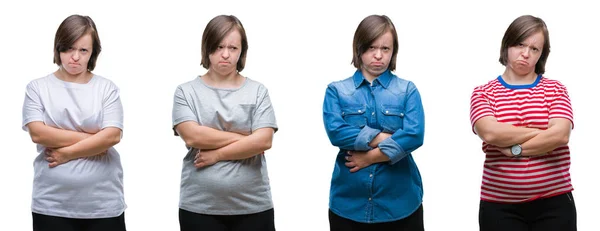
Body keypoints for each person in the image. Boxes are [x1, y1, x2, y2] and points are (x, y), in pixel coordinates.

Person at [470, 15, 576, 231]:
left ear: (541, 55)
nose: (526, 54)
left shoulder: (555, 90)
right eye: (520, 44)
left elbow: (560, 136)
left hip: (554, 203)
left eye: (535, 49)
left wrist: (515, 149)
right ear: (507, 44)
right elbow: (490, 134)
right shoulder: (483, 93)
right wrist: (542, 131)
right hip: (499, 206)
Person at [172, 15, 278, 231]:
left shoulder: (258, 91)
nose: (226, 54)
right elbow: (193, 136)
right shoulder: (186, 91)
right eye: (219, 46)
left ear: (242, 52)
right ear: (207, 47)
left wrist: (217, 154)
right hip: (199, 207)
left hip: (254, 206)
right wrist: (247, 140)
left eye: (233, 47)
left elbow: (265, 140)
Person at [21, 15, 126, 231]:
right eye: (68, 49)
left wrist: (67, 153)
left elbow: (113, 136)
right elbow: (38, 134)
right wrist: (96, 140)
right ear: (58, 49)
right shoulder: (37, 88)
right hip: (51, 205)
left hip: (102, 204)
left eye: (83, 50)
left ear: (93, 53)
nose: (75, 57)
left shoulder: (106, 89)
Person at [322, 15, 426, 231]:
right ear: (358, 49)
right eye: (371, 47)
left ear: (393, 51)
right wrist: (381, 138)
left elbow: (414, 135)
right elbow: (336, 132)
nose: (378, 55)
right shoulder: (336, 91)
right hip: (348, 205)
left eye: (385, 49)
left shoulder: (407, 90)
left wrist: (370, 157)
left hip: (401, 205)